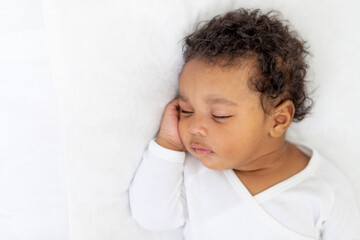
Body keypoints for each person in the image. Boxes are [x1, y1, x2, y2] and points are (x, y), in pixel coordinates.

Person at [128, 8, 360, 239]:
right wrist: (168, 143)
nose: (195, 126)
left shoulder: (325, 190)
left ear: (279, 120)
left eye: (220, 115)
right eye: (187, 110)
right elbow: (151, 217)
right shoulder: (195, 172)